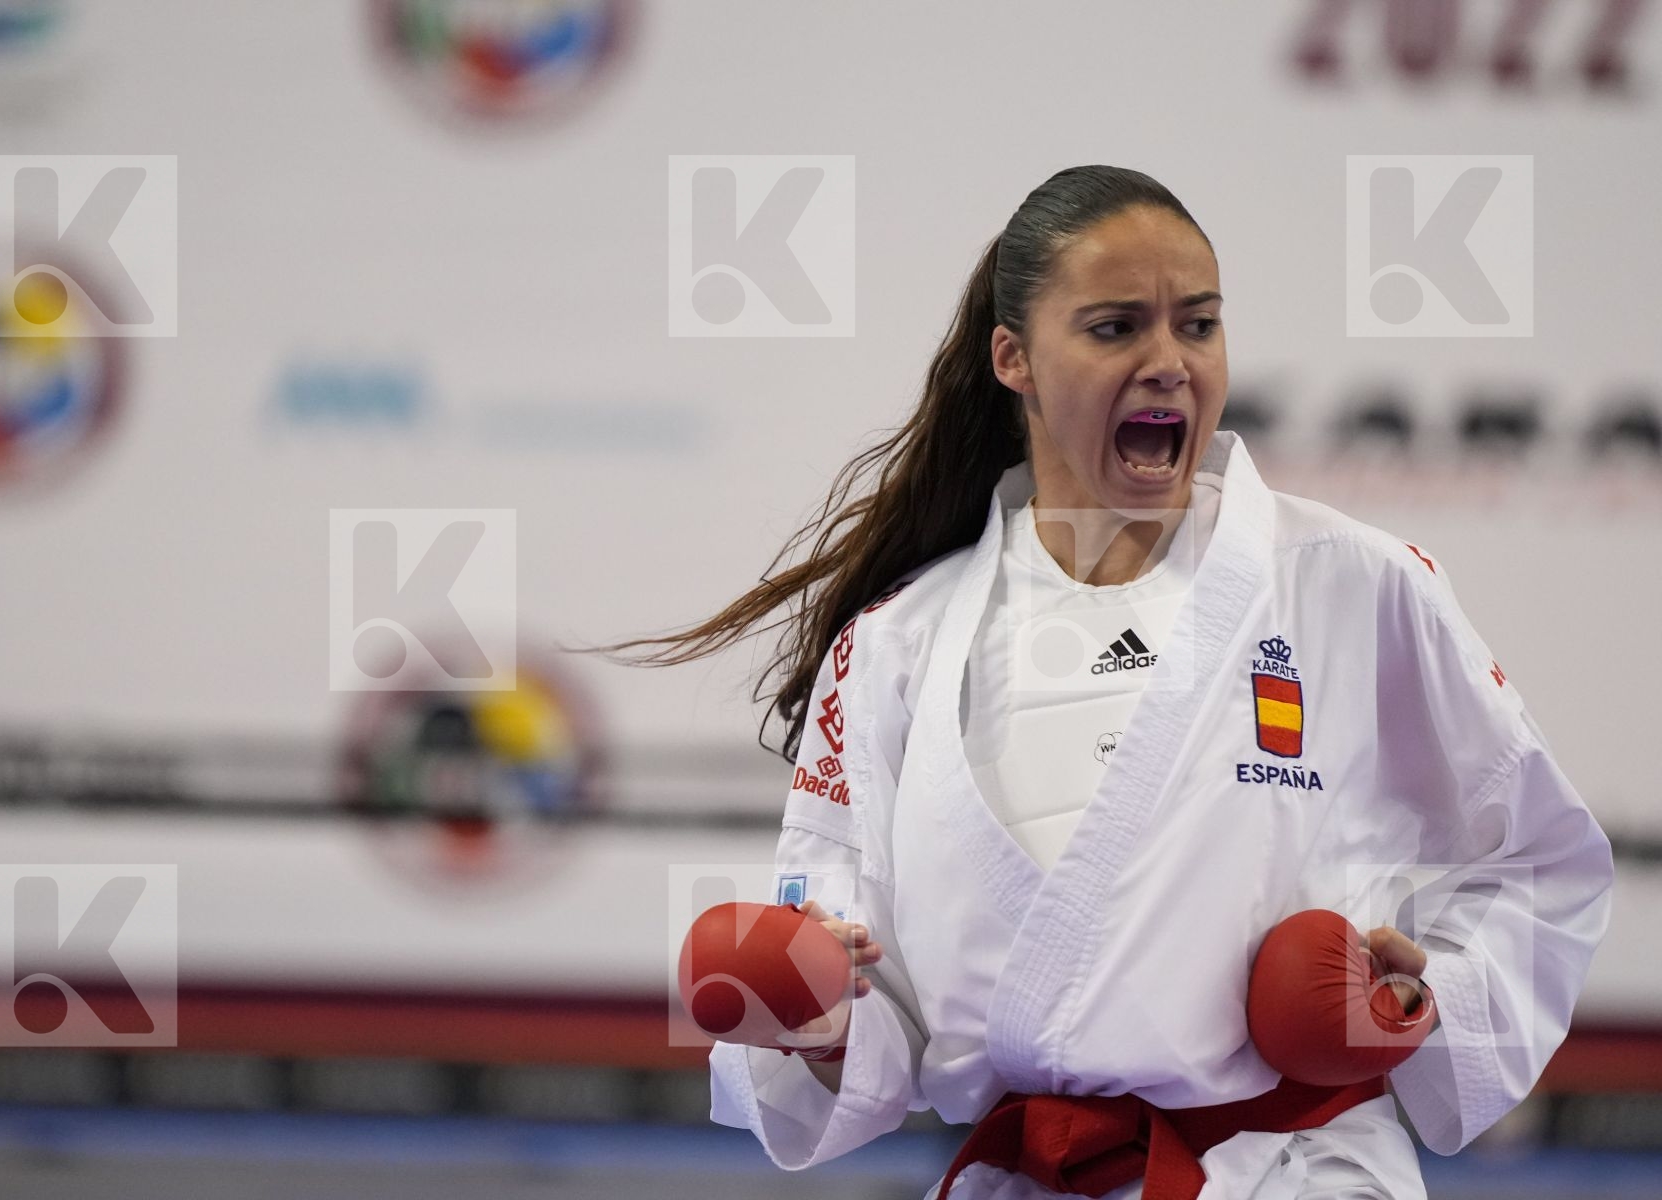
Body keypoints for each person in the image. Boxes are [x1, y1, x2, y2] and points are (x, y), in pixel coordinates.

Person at [610, 165, 1614, 1199]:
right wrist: (808, 1011)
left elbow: (1542, 859)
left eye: (1200, 325)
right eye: (1116, 328)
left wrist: (1432, 993)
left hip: (1291, 1176)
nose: (1170, 362)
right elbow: (867, 1008)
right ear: (1016, 360)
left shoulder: (1350, 586)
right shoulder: (899, 644)